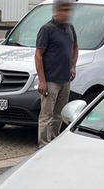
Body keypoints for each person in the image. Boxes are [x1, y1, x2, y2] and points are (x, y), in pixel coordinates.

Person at [35, 0, 78, 148]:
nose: (67, 14)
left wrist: (73, 66)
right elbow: (38, 55)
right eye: (64, 10)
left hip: (65, 80)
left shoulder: (70, 28)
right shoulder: (47, 29)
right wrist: (42, 80)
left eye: (69, 10)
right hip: (51, 81)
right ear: (57, 11)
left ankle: (53, 143)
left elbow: (75, 46)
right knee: (47, 115)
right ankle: (43, 146)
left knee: (59, 114)